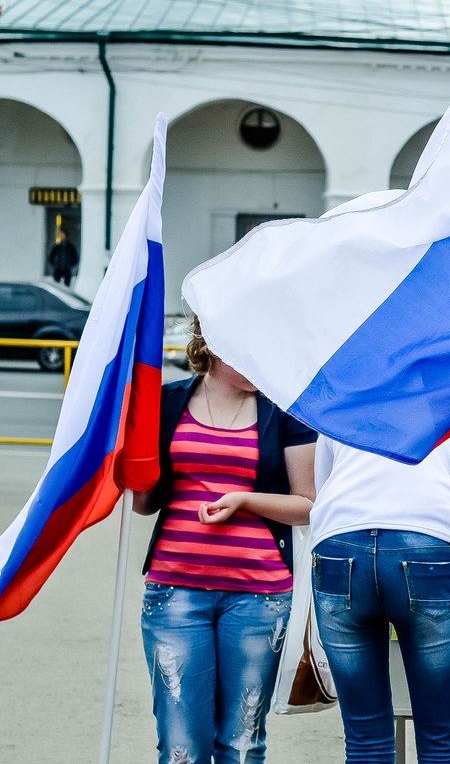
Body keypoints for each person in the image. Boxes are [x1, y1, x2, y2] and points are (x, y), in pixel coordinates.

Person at [133, 317, 316, 763]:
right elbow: (143, 503)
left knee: (242, 742)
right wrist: (127, 456)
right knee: (180, 747)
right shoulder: (167, 402)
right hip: (174, 590)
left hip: (259, 596)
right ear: (214, 343)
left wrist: (245, 500)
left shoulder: (286, 412)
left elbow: (309, 504)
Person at [310, 423, 450, 764]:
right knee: (443, 743)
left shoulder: (344, 389)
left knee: (365, 742)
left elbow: (326, 490)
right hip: (427, 544)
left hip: (340, 545)